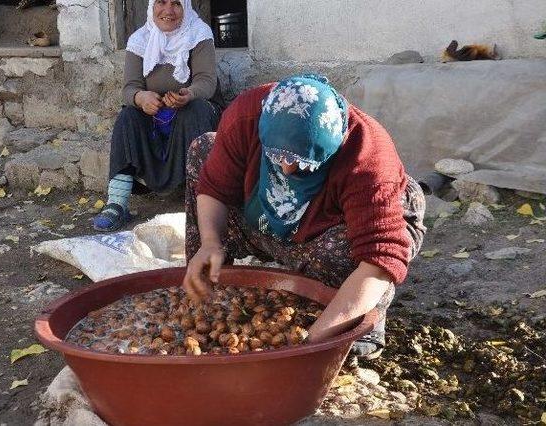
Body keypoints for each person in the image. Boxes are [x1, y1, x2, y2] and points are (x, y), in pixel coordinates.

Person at [182, 74, 426, 358]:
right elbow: (215, 186)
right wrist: (211, 242)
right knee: (204, 149)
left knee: (339, 256)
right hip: (264, 217)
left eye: (301, 163)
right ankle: (209, 285)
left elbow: (379, 261)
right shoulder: (248, 114)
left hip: (347, 223)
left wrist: (308, 344)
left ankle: (362, 321)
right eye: (277, 156)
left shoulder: (368, 159)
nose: (287, 169)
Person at [94, 0, 224, 231]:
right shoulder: (140, 39)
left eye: (176, 3)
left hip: (192, 108)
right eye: (161, 2)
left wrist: (189, 94)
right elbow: (129, 88)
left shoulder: (199, 34)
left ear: (185, 7)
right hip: (155, 113)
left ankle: (203, 203)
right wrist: (140, 98)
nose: (168, 10)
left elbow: (206, 82)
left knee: (195, 111)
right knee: (128, 117)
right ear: (151, 6)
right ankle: (117, 203)